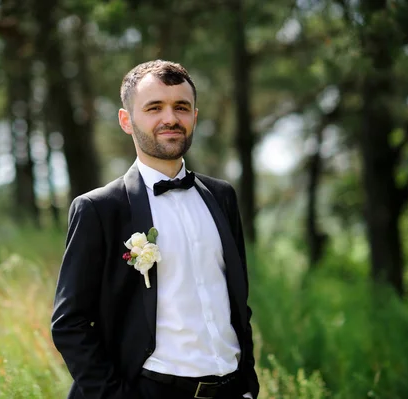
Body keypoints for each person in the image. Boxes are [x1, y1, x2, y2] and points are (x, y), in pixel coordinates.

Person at [51, 60, 259, 399]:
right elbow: (69, 324)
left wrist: (248, 387)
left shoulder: (222, 197)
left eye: (181, 107)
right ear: (126, 120)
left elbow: (238, 302)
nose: (171, 119)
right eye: (154, 108)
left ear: (194, 115)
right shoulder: (99, 209)